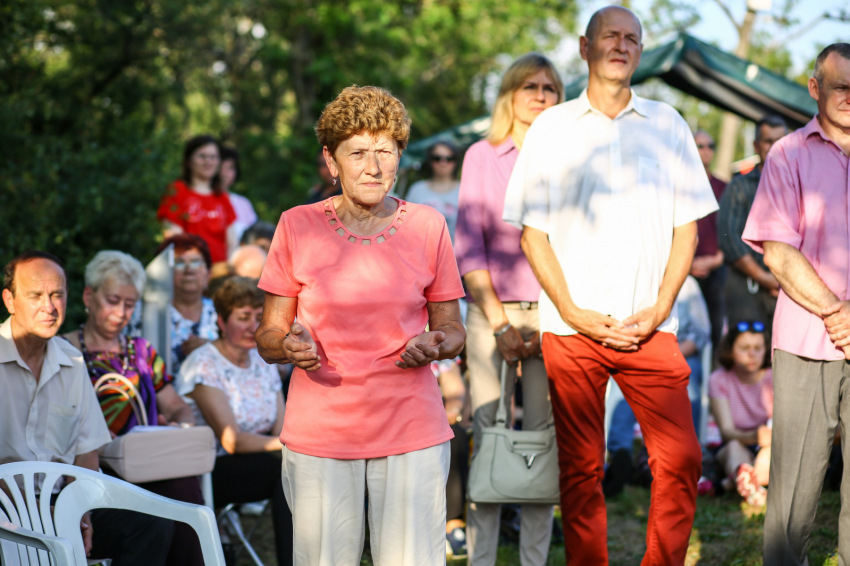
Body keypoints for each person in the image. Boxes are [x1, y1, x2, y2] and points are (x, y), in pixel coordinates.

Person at [503, 7, 717, 564]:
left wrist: (660, 308)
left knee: (682, 459)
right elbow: (533, 235)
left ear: (640, 51)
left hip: (651, 326)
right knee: (580, 469)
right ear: (585, 46)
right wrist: (573, 311)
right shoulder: (551, 128)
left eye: (632, 39)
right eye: (610, 36)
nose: (621, 46)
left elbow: (687, 230)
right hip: (573, 329)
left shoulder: (669, 123)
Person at [256, 85, 466, 565]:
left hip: (411, 426)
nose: (373, 167)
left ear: (400, 159)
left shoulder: (429, 225)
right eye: (357, 153)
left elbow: (453, 330)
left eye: (384, 152)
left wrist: (435, 344)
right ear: (331, 161)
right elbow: (268, 334)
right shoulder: (296, 225)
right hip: (322, 430)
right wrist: (289, 346)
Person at [742, 43, 850, 564]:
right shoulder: (787, 153)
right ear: (815, 88)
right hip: (809, 338)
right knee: (793, 496)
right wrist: (838, 311)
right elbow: (779, 253)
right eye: (840, 87)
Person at [454, 52, 563, 566]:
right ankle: (481, 559)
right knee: (489, 435)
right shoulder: (482, 155)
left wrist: (558, 315)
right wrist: (499, 323)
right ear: (510, 95)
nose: (540, 95)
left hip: (553, 314)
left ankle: (533, 560)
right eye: (530, 87)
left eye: (550, 87)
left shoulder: (569, 158)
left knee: (543, 440)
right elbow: (469, 246)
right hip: (489, 311)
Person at [0, 251, 173, 566]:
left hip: (62, 501)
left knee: (151, 526)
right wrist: (34, 513)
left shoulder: (72, 360)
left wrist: (82, 512)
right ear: (10, 301)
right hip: (5, 503)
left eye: (57, 295)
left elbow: (86, 452)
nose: (49, 307)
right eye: (35, 296)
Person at [62, 250, 204, 566]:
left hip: (146, 463)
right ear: (88, 296)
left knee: (183, 487)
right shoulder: (64, 351)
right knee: (174, 499)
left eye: (130, 304)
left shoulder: (141, 351)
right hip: (96, 468)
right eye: (113, 300)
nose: (121, 313)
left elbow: (177, 406)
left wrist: (180, 426)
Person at [176, 276, 292, 566]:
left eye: (259, 317)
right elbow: (232, 440)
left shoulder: (262, 360)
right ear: (221, 321)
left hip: (259, 462)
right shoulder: (204, 364)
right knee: (286, 469)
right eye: (243, 317)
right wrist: (289, 445)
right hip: (207, 471)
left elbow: (281, 427)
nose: (253, 326)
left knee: (297, 467)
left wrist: (290, 445)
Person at [604, 275, 710, 497]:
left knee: (689, 380)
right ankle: (621, 456)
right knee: (621, 389)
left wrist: (668, 356)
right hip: (634, 352)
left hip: (678, 352)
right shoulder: (631, 278)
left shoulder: (687, 285)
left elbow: (700, 333)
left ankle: (685, 458)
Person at [717, 115, 788, 326]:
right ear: (756, 146)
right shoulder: (739, 186)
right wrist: (764, 278)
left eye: (780, 141)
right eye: (768, 141)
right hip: (746, 287)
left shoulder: (799, 185)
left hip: (789, 288)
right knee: (747, 344)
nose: (774, 146)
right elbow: (729, 238)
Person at [708, 320, 773, 507]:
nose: (752, 354)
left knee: (771, 451)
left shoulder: (774, 376)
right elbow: (727, 432)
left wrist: (766, 441)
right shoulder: (719, 379)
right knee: (734, 447)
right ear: (730, 351)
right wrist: (755, 436)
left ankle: (736, 483)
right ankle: (749, 481)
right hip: (737, 442)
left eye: (758, 348)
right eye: (744, 348)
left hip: (769, 445)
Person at [157, 135, 237, 266]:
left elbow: (232, 242)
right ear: (189, 161)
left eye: (213, 157)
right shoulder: (177, 190)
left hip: (220, 269)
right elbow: (174, 237)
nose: (208, 161)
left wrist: (229, 268)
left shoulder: (222, 197)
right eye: (202, 156)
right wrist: (192, 266)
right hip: (189, 267)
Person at [156, 234, 219, 375]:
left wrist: (212, 348)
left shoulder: (223, 311)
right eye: (179, 263)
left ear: (208, 273)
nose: (189, 270)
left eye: (196, 262)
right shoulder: (150, 312)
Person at [691, 129, 727, 352]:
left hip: (716, 270)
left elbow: (732, 231)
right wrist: (687, 264)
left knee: (716, 330)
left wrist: (716, 260)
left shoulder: (724, 188)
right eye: (700, 146)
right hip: (683, 270)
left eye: (710, 146)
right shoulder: (678, 186)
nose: (706, 151)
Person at [406, 141, 461, 242]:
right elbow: (407, 225)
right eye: (437, 158)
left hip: (455, 251)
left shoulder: (465, 190)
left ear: (456, 161)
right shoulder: (417, 189)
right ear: (430, 161)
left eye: (449, 158)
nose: (443, 162)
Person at [219, 145, 259, 243]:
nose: (225, 172)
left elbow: (255, 236)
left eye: (230, 168)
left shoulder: (243, 203)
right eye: (221, 167)